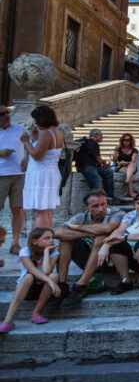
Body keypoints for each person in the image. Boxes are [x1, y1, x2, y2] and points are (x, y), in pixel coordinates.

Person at [55, 190, 125, 309]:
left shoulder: (116, 212)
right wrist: (85, 234)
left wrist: (77, 228)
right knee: (65, 240)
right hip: (88, 259)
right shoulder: (81, 217)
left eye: (103, 204)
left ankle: (81, 286)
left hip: (109, 260)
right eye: (95, 206)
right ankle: (62, 284)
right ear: (86, 207)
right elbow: (58, 232)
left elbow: (107, 228)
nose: (101, 209)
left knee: (101, 237)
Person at [1, 227, 60, 333]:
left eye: (52, 238)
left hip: (46, 290)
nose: (51, 240)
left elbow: (46, 271)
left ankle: (36, 313)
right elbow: (32, 270)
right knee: (28, 277)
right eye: (47, 238)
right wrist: (50, 281)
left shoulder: (54, 253)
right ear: (34, 241)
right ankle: (8, 320)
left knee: (54, 276)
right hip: (27, 289)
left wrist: (46, 252)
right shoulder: (25, 251)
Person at [99, 188, 139, 294]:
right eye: (138, 203)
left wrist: (126, 237)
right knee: (116, 245)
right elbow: (120, 230)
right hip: (133, 254)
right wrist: (106, 245)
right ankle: (126, 280)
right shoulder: (132, 215)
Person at [0, 105, 27, 253]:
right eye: (2, 114)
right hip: (0, 175)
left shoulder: (20, 129)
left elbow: (30, 145)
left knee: (18, 208)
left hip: (18, 175)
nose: (6, 116)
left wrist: (28, 159)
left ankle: (15, 243)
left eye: (7, 112)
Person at [74, 129, 116, 204]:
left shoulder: (84, 142)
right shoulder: (93, 143)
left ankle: (109, 196)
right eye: (101, 135)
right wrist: (104, 164)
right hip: (87, 167)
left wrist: (103, 164)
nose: (102, 137)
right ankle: (97, 198)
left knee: (108, 172)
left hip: (83, 166)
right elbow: (98, 159)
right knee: (96, 177)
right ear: (95, 135)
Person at [113, 133, 139, 198]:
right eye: (124, 140)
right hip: (121, 167)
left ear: (131, 141)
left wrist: (126, 162)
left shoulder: (134, 150)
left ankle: (126, 181)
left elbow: (133, 160)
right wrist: (115, 150)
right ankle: (131, 192)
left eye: (128, 140)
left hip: (130, 166)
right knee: (129, 173)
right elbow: (114, 160)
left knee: (132, 165)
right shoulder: (119, 149)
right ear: (122, 141)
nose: (126, 142)